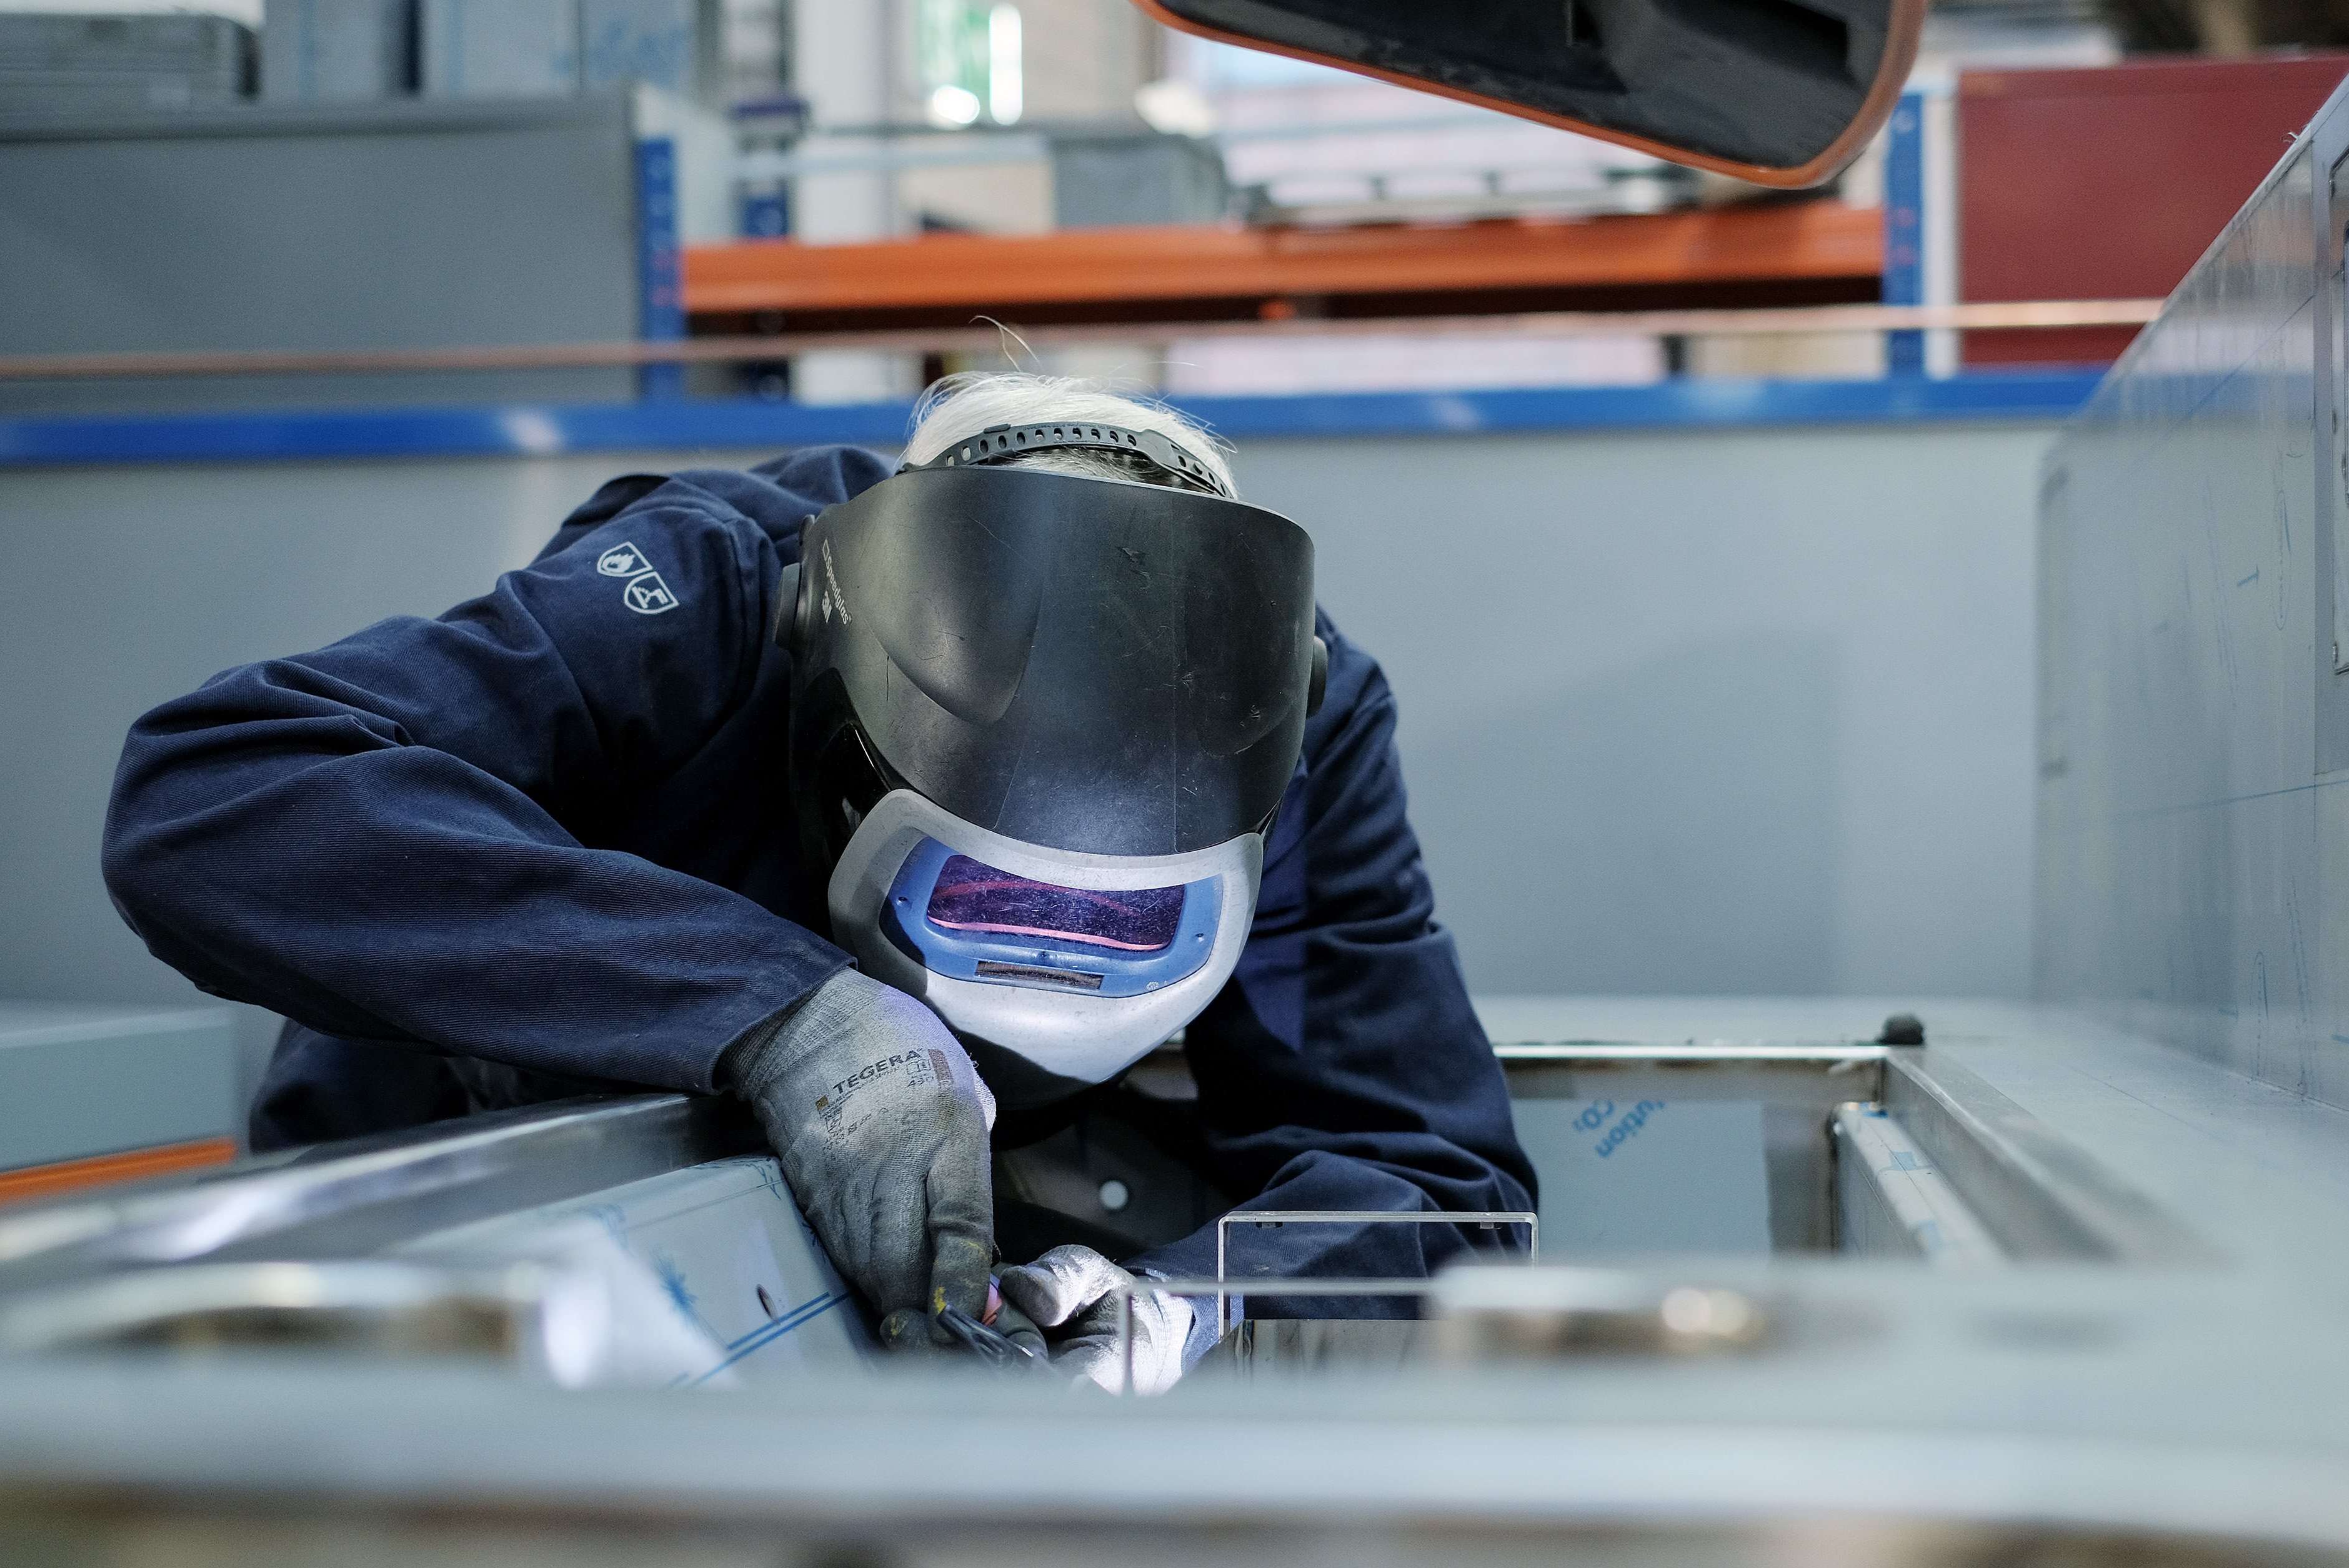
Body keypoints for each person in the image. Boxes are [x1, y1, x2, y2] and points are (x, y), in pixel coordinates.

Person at [102, 374, 1534, 1391]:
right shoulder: (728, 591)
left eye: (1116, 922)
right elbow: (219, 789)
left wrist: (1198, 1314)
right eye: (988, 897)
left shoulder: (1300, 720)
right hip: (456, 1272)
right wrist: (784, 1009)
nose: (1045, 956)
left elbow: (1431, 1174)